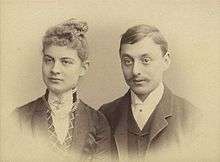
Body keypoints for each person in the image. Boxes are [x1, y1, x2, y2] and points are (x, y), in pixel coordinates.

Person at [12, 19, 111, 162]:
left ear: (83, 68)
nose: (55, 70)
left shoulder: (98, 122)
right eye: (49, 60)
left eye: (65, 62)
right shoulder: (20, 118)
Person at [99, 24, 198, 161]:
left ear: (166, 60)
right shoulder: (105, 116)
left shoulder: (191, 118)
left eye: (146, 60)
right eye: (127, 61)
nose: (135, 71)